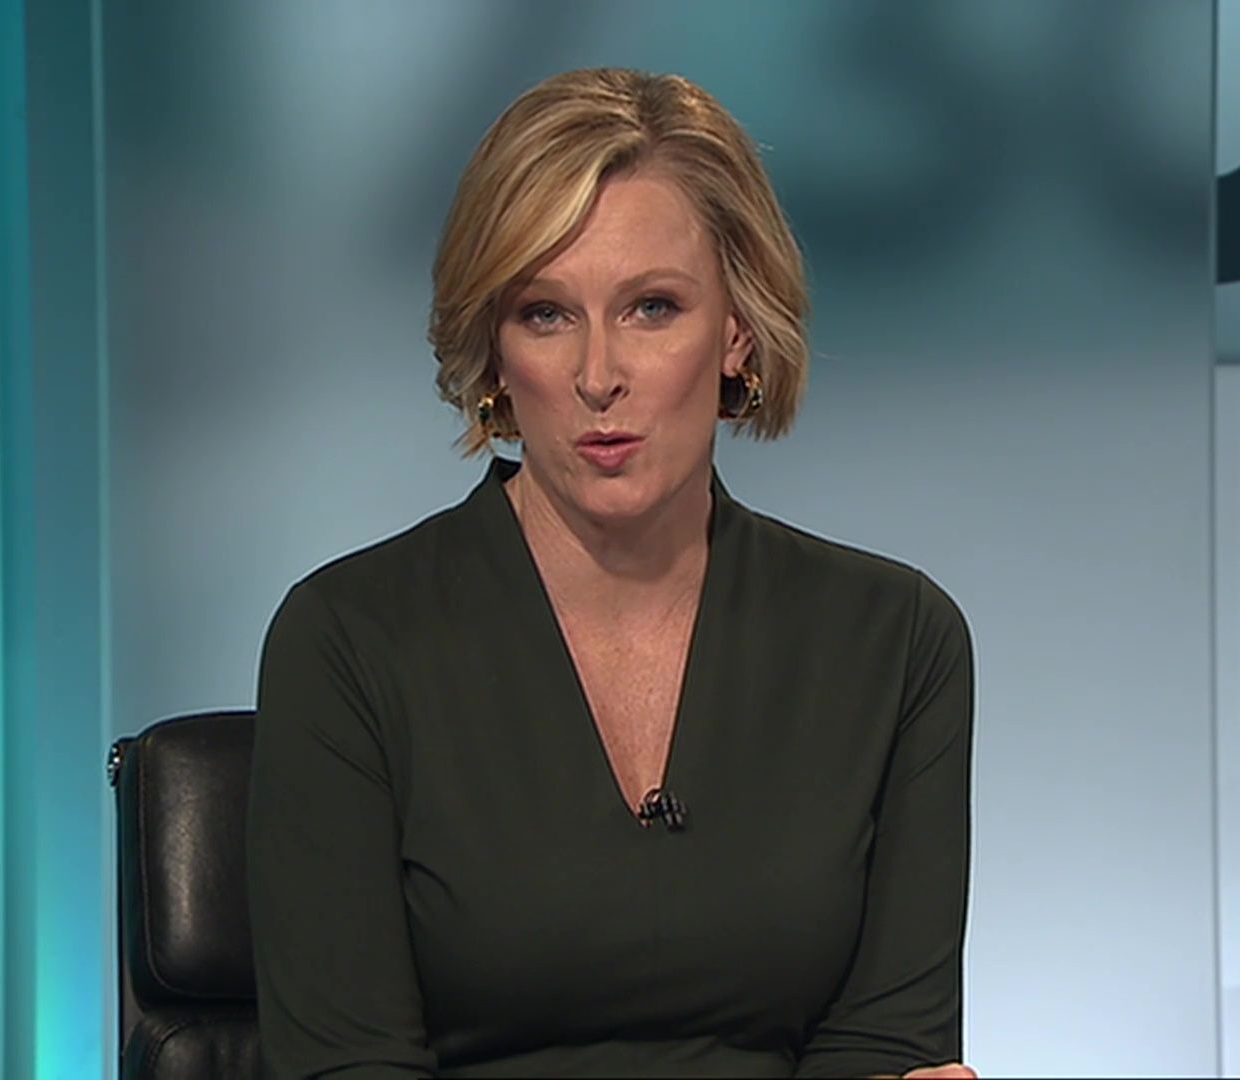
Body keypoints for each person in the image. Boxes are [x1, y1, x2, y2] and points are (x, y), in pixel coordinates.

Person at [248, 67, 976, 1080]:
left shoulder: (893, 642)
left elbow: (885, 1049)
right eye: (546, 313)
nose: (599, 375)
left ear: (737, 331)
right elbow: (346, 1066)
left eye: (651, 307)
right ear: (495, 354)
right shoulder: (350, 640)